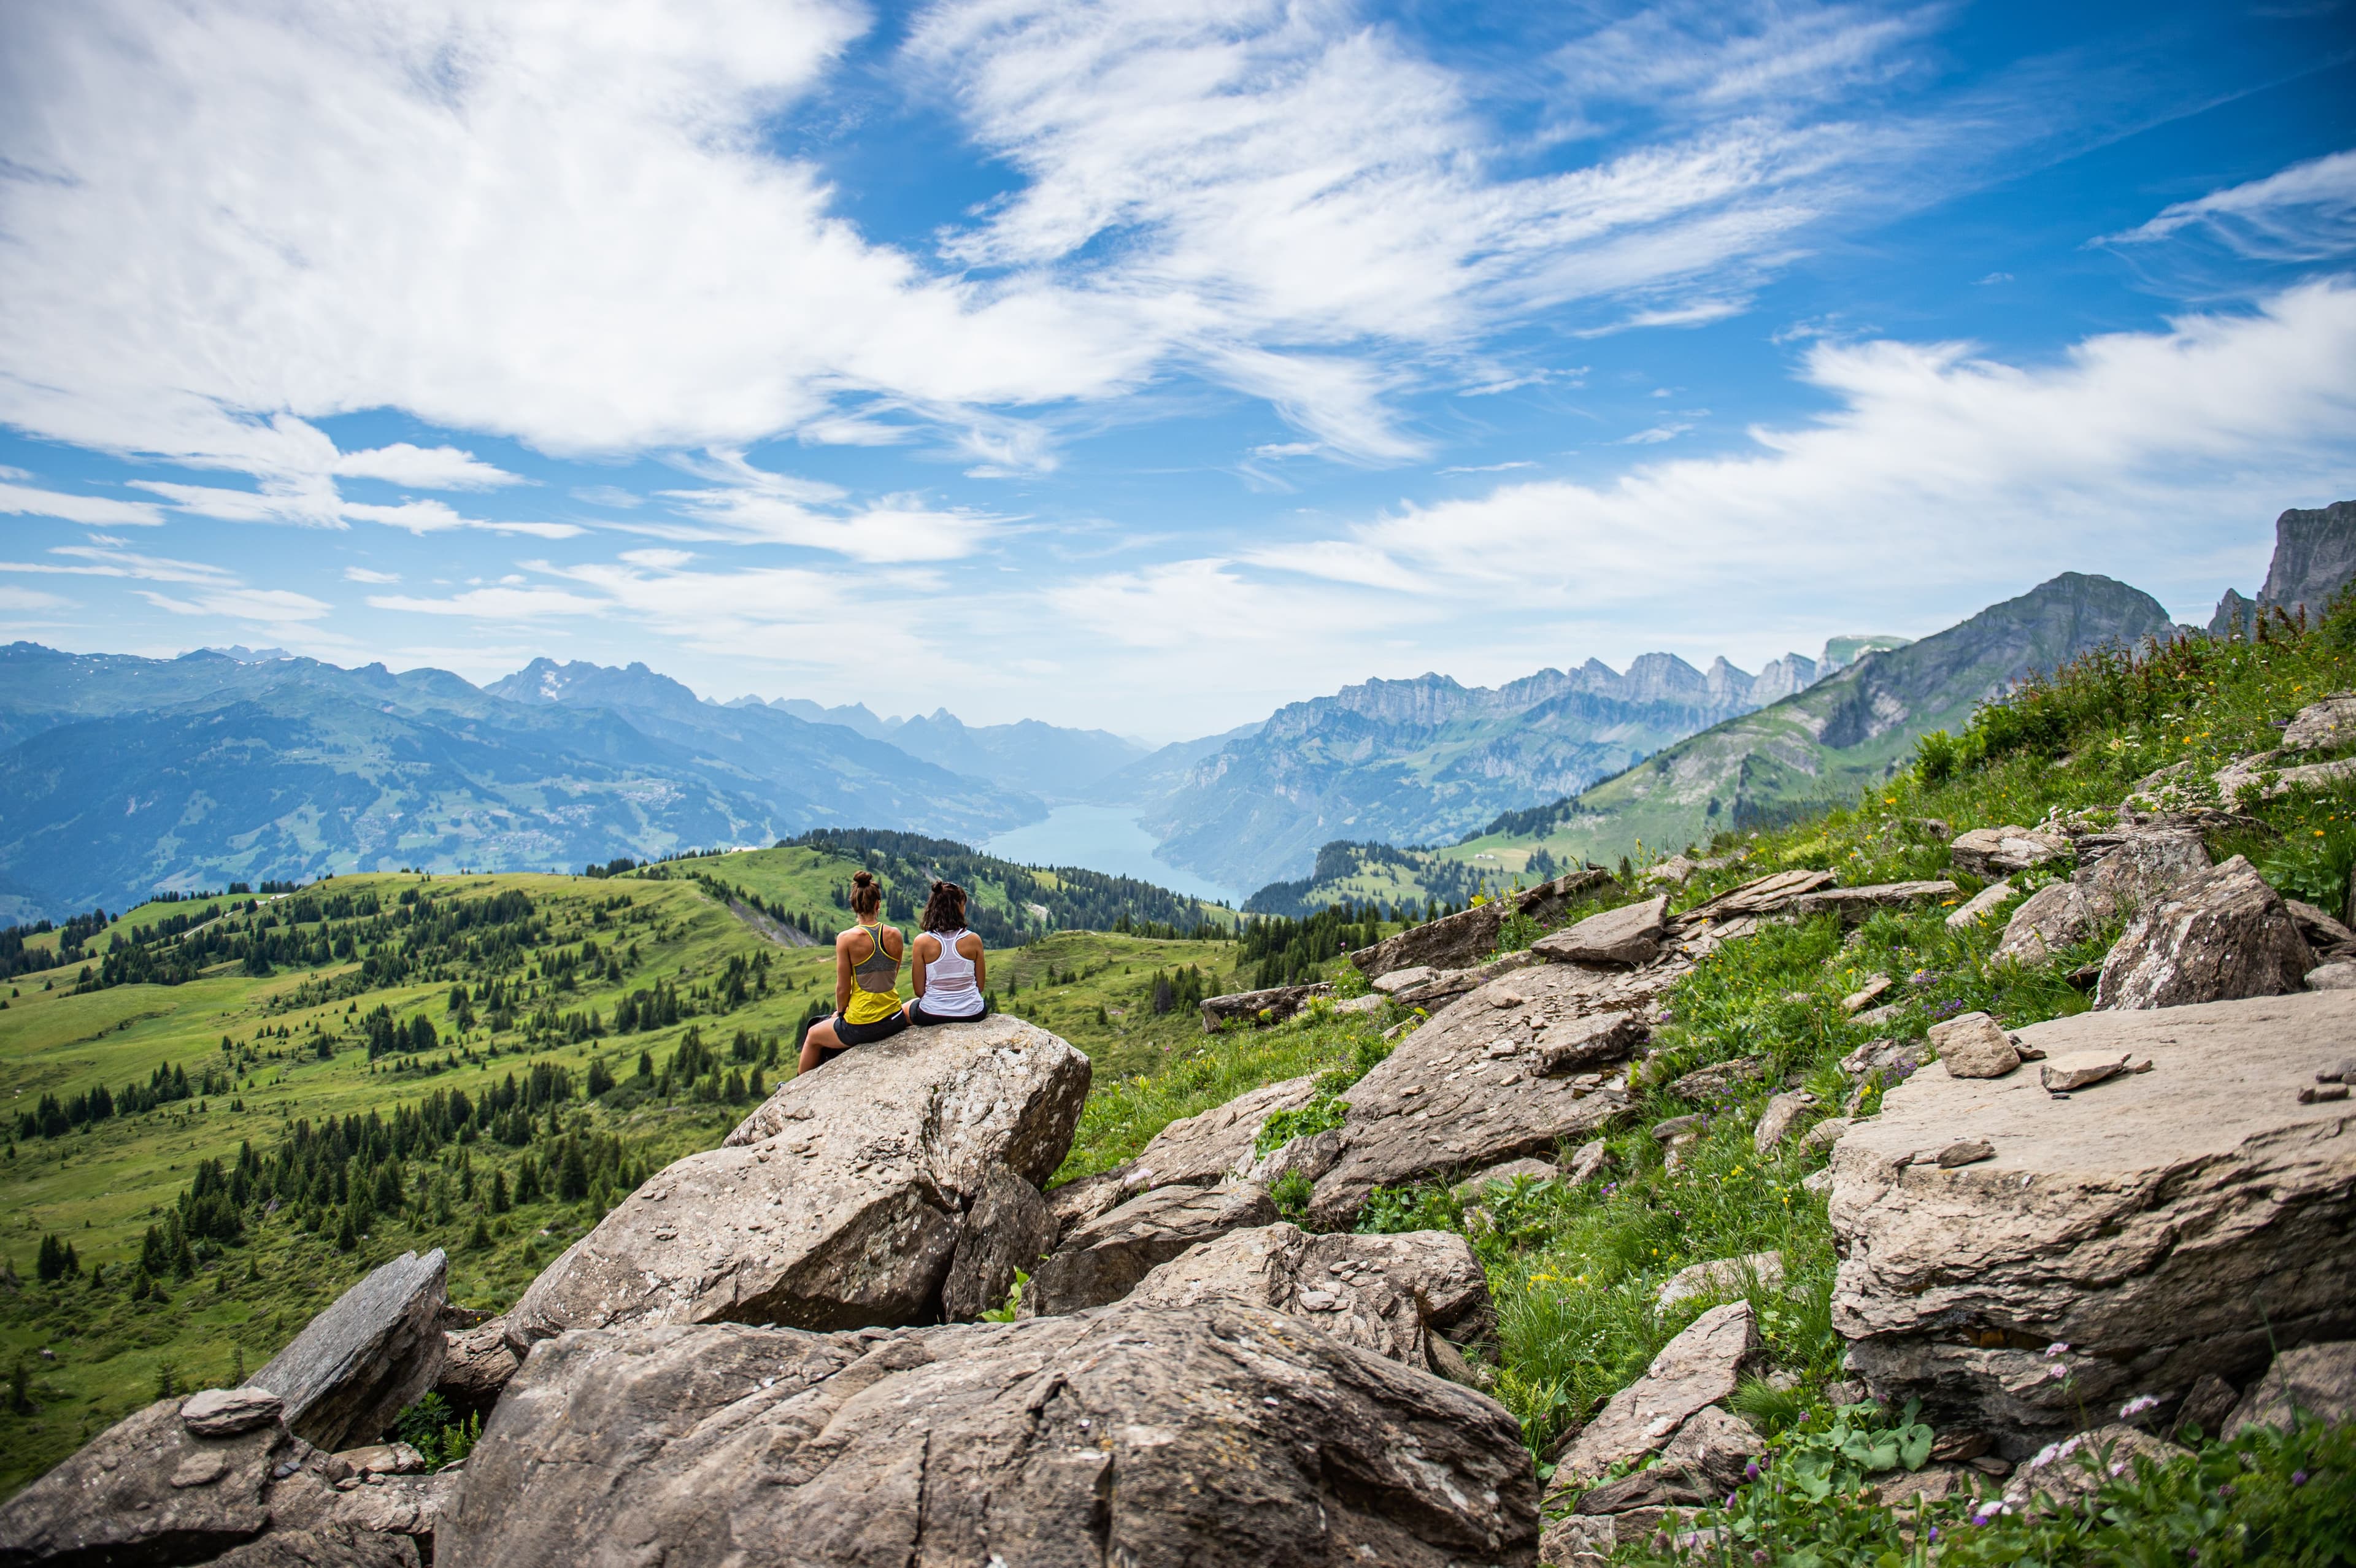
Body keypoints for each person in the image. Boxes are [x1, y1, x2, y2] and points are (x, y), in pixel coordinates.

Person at [799, 870, 906, 1072]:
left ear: (854, 906)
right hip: (894, 1016)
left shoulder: (846, 938)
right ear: (878, 905)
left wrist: (840, 1014)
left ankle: (792, 1089)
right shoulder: (895, 934)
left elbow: (842, 987)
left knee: (813, 1035)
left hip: (863, 1024)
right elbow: (891, 976)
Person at [904, 880, 987, 1024]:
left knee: (906, 1008)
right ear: (959, 907)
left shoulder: (921, 942)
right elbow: (980, 986)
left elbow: (919, 991)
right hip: (973, 1012)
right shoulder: (974, 940)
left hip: (932, 1013)